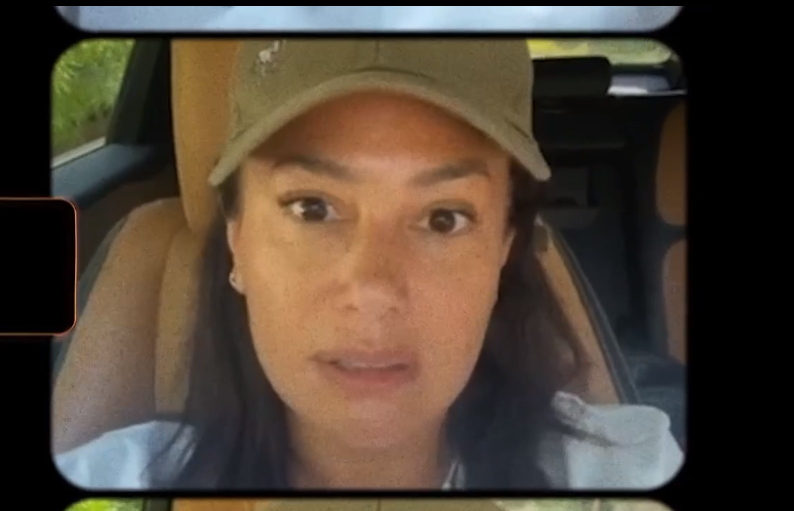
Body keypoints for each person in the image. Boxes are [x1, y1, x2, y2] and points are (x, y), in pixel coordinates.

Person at [54, 38, 683, 490]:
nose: (373, 289)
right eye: (312, 208)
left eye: (443, 217)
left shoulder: (625, 473)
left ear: (504, 248)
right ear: (237, 241)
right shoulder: (109, 483)